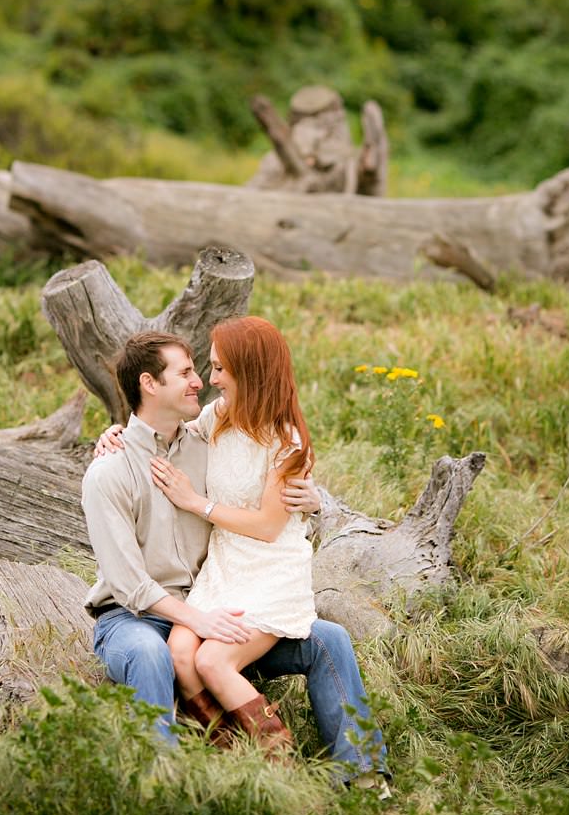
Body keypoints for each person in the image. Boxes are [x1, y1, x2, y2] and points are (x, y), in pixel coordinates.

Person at [81, 328, 388, 785]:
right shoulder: (111, 469)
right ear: (149, 384)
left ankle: (362, 774)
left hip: (220, 598)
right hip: (137, 616)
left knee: (329, 638)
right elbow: (129, 585)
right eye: (186, 372)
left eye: (209, 369)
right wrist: (113, 434)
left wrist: (315, 499)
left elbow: (264, 472)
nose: (202, 381)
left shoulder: (207, 439)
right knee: (152, 653)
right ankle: (165, 782)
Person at [149, 316, 317, 752]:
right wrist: (116, 435)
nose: (211, 379)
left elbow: (267, 525)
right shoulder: (218, 416)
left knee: (212, 660)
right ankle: (228, 752)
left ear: (251, 372)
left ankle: (282, 762)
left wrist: (196, 503)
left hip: (269, 571)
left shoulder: (286, 440)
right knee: (181, 656)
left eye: (221, 369)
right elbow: (169, 437)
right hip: (223, 566)